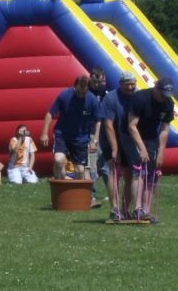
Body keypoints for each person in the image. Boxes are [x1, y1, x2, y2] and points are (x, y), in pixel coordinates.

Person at [125, 77, 175, 221]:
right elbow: (131, 126)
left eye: (167, 95)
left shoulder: (168, 103)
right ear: (156, 88)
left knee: (152, 174)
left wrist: (161, 152)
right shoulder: (140, 98)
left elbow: (164, 129)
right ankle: (137, 209)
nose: (164, 98)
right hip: (133, 136)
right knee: (139, 171)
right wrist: (141, 149)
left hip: (151, 138)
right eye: (162, 94)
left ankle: (146, 211)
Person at [40, 75, 100, 180]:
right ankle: (59, 182)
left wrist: (95, 140)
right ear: (74, 86)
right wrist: (44, 133)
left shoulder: (92, 100)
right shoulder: (64, 95)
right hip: (62, 135)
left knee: (80, 170)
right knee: (59, 160)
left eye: (83, 93)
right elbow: (50, 113)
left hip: (81, 139)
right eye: (79, 92)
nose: (81, 95)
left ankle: (77, 189)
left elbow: (98, 120)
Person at [100, 70, 138, 220]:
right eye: (127, 84)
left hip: (127, 139)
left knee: (129, 174)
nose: (130, 87)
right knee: (114, 171)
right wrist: (115, 149)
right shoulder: (110, 98)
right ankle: (114, 209)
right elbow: (108, 125)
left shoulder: (136, 97)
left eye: (133, 84)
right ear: (120, 84)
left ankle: (124, 210)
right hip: (110, 138)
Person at [88, 67, 108, 208]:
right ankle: (91, 195)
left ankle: (112, 192)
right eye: (95, 82)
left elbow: (102, 114)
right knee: (92, 164)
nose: (97, 85)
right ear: (91, 78)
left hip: (100, 132)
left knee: (104, 164)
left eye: (100, 82)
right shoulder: (85, 90)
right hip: (88, 132)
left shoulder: (102, 91)